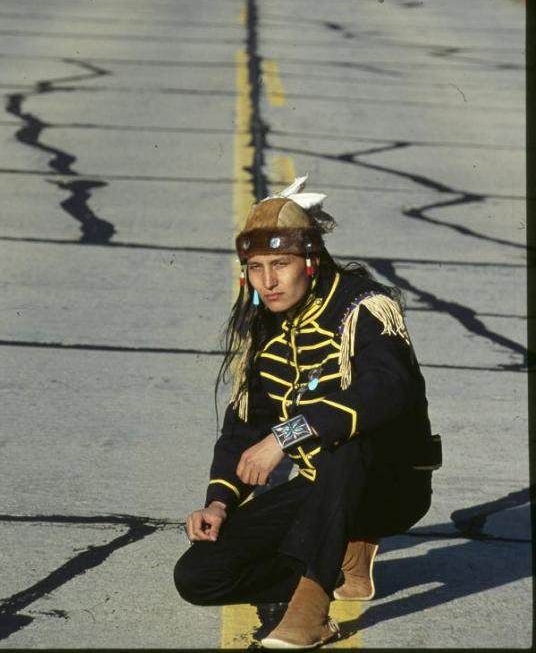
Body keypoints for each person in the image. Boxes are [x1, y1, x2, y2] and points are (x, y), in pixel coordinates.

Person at [174, 176, 440, 650]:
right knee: (198, 576)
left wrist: (285, 436)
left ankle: (312, 609)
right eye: (256, 268)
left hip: (387, 485)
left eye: (281, 264)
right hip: (322, 491)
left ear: (311, 261)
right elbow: (245, 426)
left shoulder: (363, 307)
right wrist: (219, 502)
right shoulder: (268, 328)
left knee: (345, 441)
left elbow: (387, 390)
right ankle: (339, 558)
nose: (268, 282)